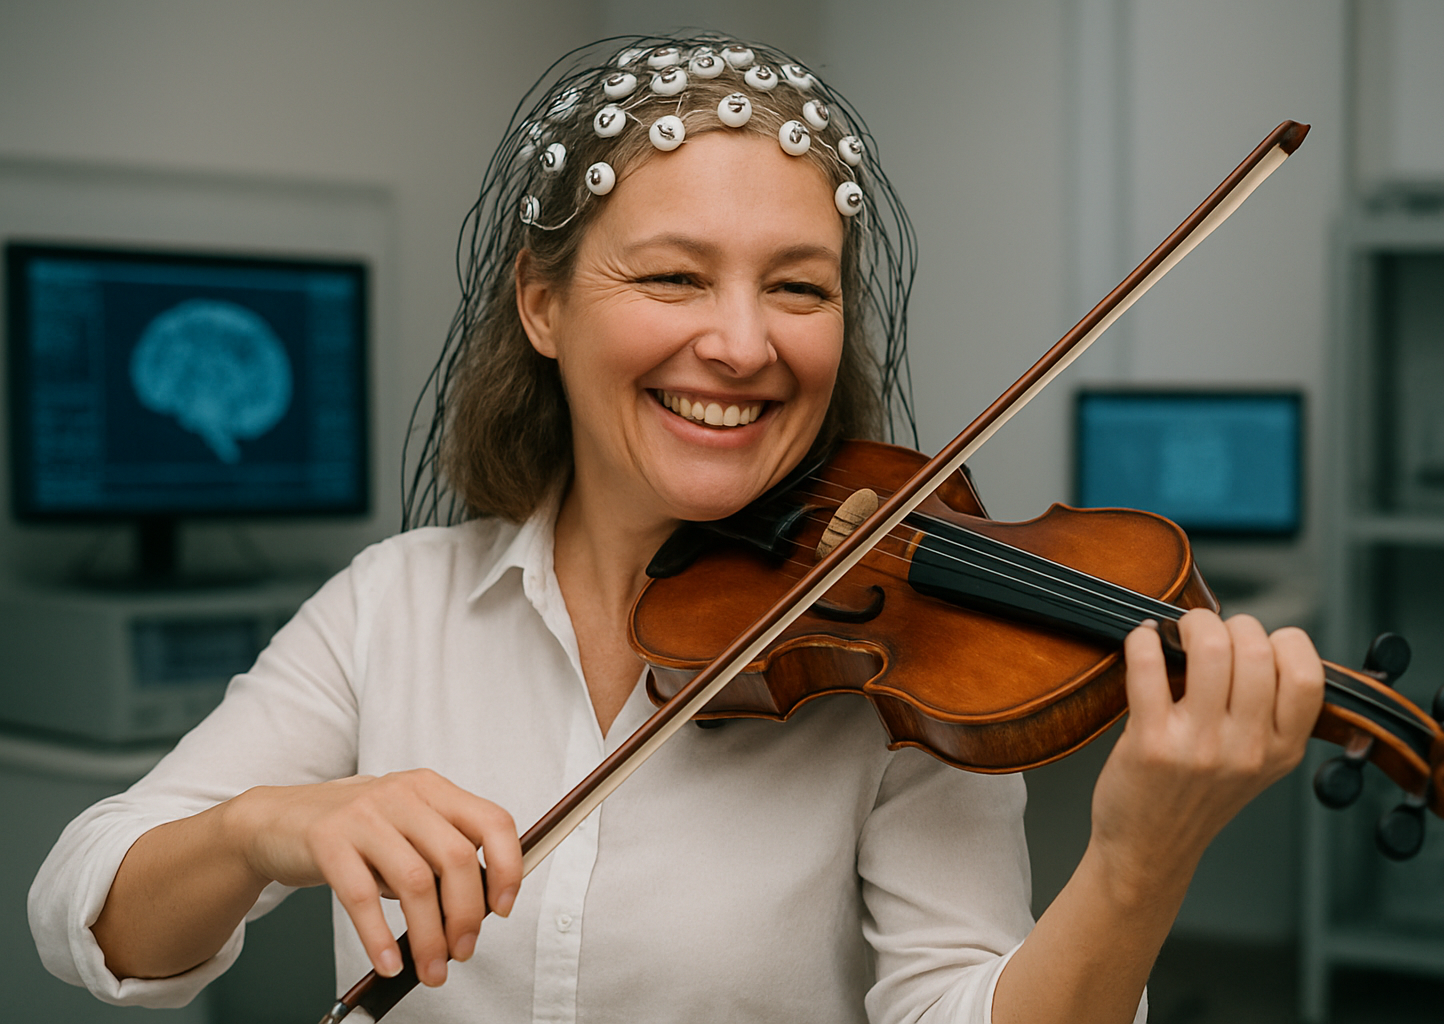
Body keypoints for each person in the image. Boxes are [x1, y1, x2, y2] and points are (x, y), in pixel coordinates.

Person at [30, 35, 1324, 1024]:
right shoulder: (394, 607)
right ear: (543, 305)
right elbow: (88, 910)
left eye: (799, 288)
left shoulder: (905, 672)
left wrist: (1138, 866)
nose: (746, 344)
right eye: (674, 275)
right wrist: (273, 825)